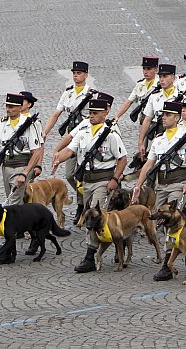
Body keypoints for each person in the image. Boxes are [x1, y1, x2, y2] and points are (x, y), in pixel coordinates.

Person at [52, 97, 127, 273]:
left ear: (104, 113)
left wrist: (115, 179)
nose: (91, 116)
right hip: (87, 181)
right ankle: (119, 245)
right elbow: (71, 150)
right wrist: (58, 158)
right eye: (90, 113)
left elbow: (122, 159)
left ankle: (89, 256)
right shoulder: (83, 132)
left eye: (95, 113)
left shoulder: (111, 134)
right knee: (93, 215)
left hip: (104, 180)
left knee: (93, 216)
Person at [131, 101, 186, 281]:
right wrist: (138, 185)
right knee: (158, 222)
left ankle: (167, 266)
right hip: (161, 185)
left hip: (178, 183)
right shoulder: (159, 140)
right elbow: (149, 164)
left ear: (176, 118)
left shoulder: (185, 137)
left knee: (171, 222)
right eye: (163, 115)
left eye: (168, 115)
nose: (164, 118)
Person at [44, 61, 98, 220]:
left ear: (86, 75)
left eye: (79, 73)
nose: (76, 75)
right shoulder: (67, 93)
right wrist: (45, 132)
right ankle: (82, 198)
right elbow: (56, 114)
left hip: (88, 137)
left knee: (83, 173)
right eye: (74, 73)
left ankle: (83, 205)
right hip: (71, 136)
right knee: (69, 175)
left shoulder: (92, 94)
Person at [0, 93, 44, 205]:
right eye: (7, 106)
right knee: (15, 200)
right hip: (6, 167)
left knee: (13, 202)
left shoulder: (29, 124)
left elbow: (37, 151)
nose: (8, 109)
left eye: (11, 107)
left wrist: (25, 173)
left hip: (21, 166)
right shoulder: (3, 123)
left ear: (19, 107)